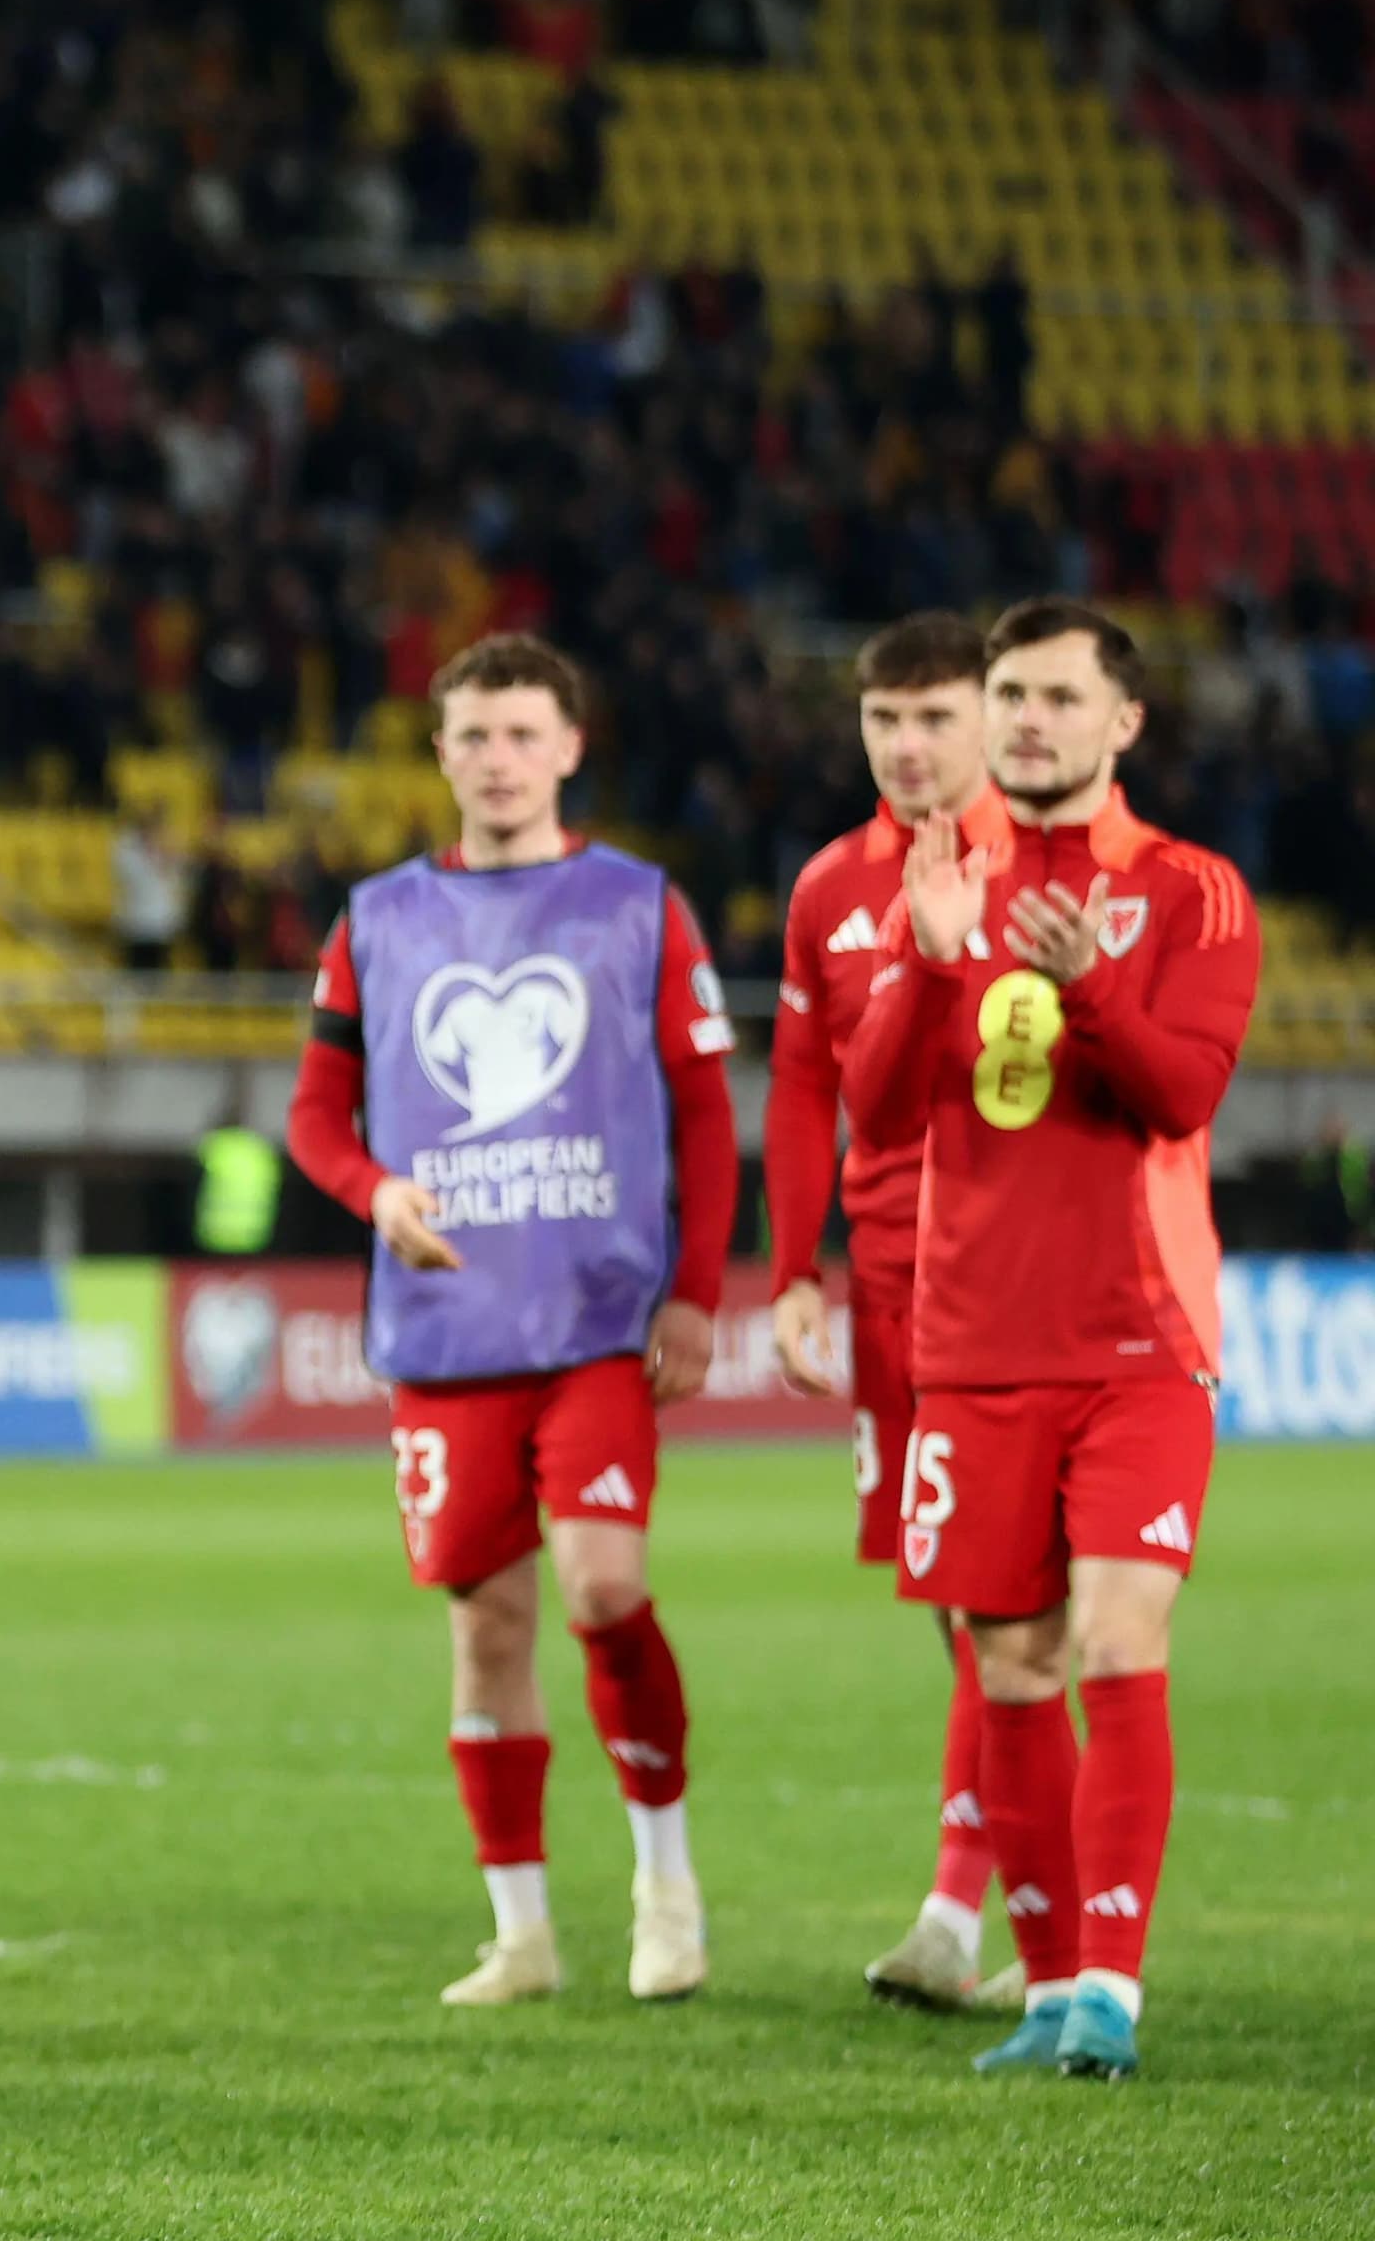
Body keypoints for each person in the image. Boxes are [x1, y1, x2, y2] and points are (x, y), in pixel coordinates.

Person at [282, 634, 738, 2010]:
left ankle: (667, 1883)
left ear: (570, 747)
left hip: (596, 1317)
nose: (498, 759)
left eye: (523, 734)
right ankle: (522, 1934)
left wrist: (701, 1293)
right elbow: (314, 1115)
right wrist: (376, 1189)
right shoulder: (376, 921)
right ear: (440, 755)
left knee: (602, 1589)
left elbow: (709, 1111)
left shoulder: (641, 907)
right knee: (486, 1631)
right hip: (447, 1329)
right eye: (473, 735)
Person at [841, 599, 1260, 2082]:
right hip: (970, 1346)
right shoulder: (939, 882)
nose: (1026, 720)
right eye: (1009, 694)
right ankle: (1045, 1990)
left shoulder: (1195, 890)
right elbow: (879, 1111)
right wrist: (931, 960)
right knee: (1009, 1664)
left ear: (1122, 722)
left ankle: (1113, 2001)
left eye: (1058, 697)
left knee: (1114, 1638)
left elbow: (1182, 1097)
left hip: (1140, 1342)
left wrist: (1084, 978)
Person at [766, 611, 1025, 2014]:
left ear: (990, 718)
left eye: (937, 717)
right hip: (888, 1282)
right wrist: (794, 1268)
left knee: (1009, 1602)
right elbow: (810, 1085)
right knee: (953, 1601)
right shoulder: (829, 889)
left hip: (1022, 1278)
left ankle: (971, 1905)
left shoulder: (1046, 866)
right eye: (887, 723)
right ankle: (999, 1894)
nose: (911, 747)